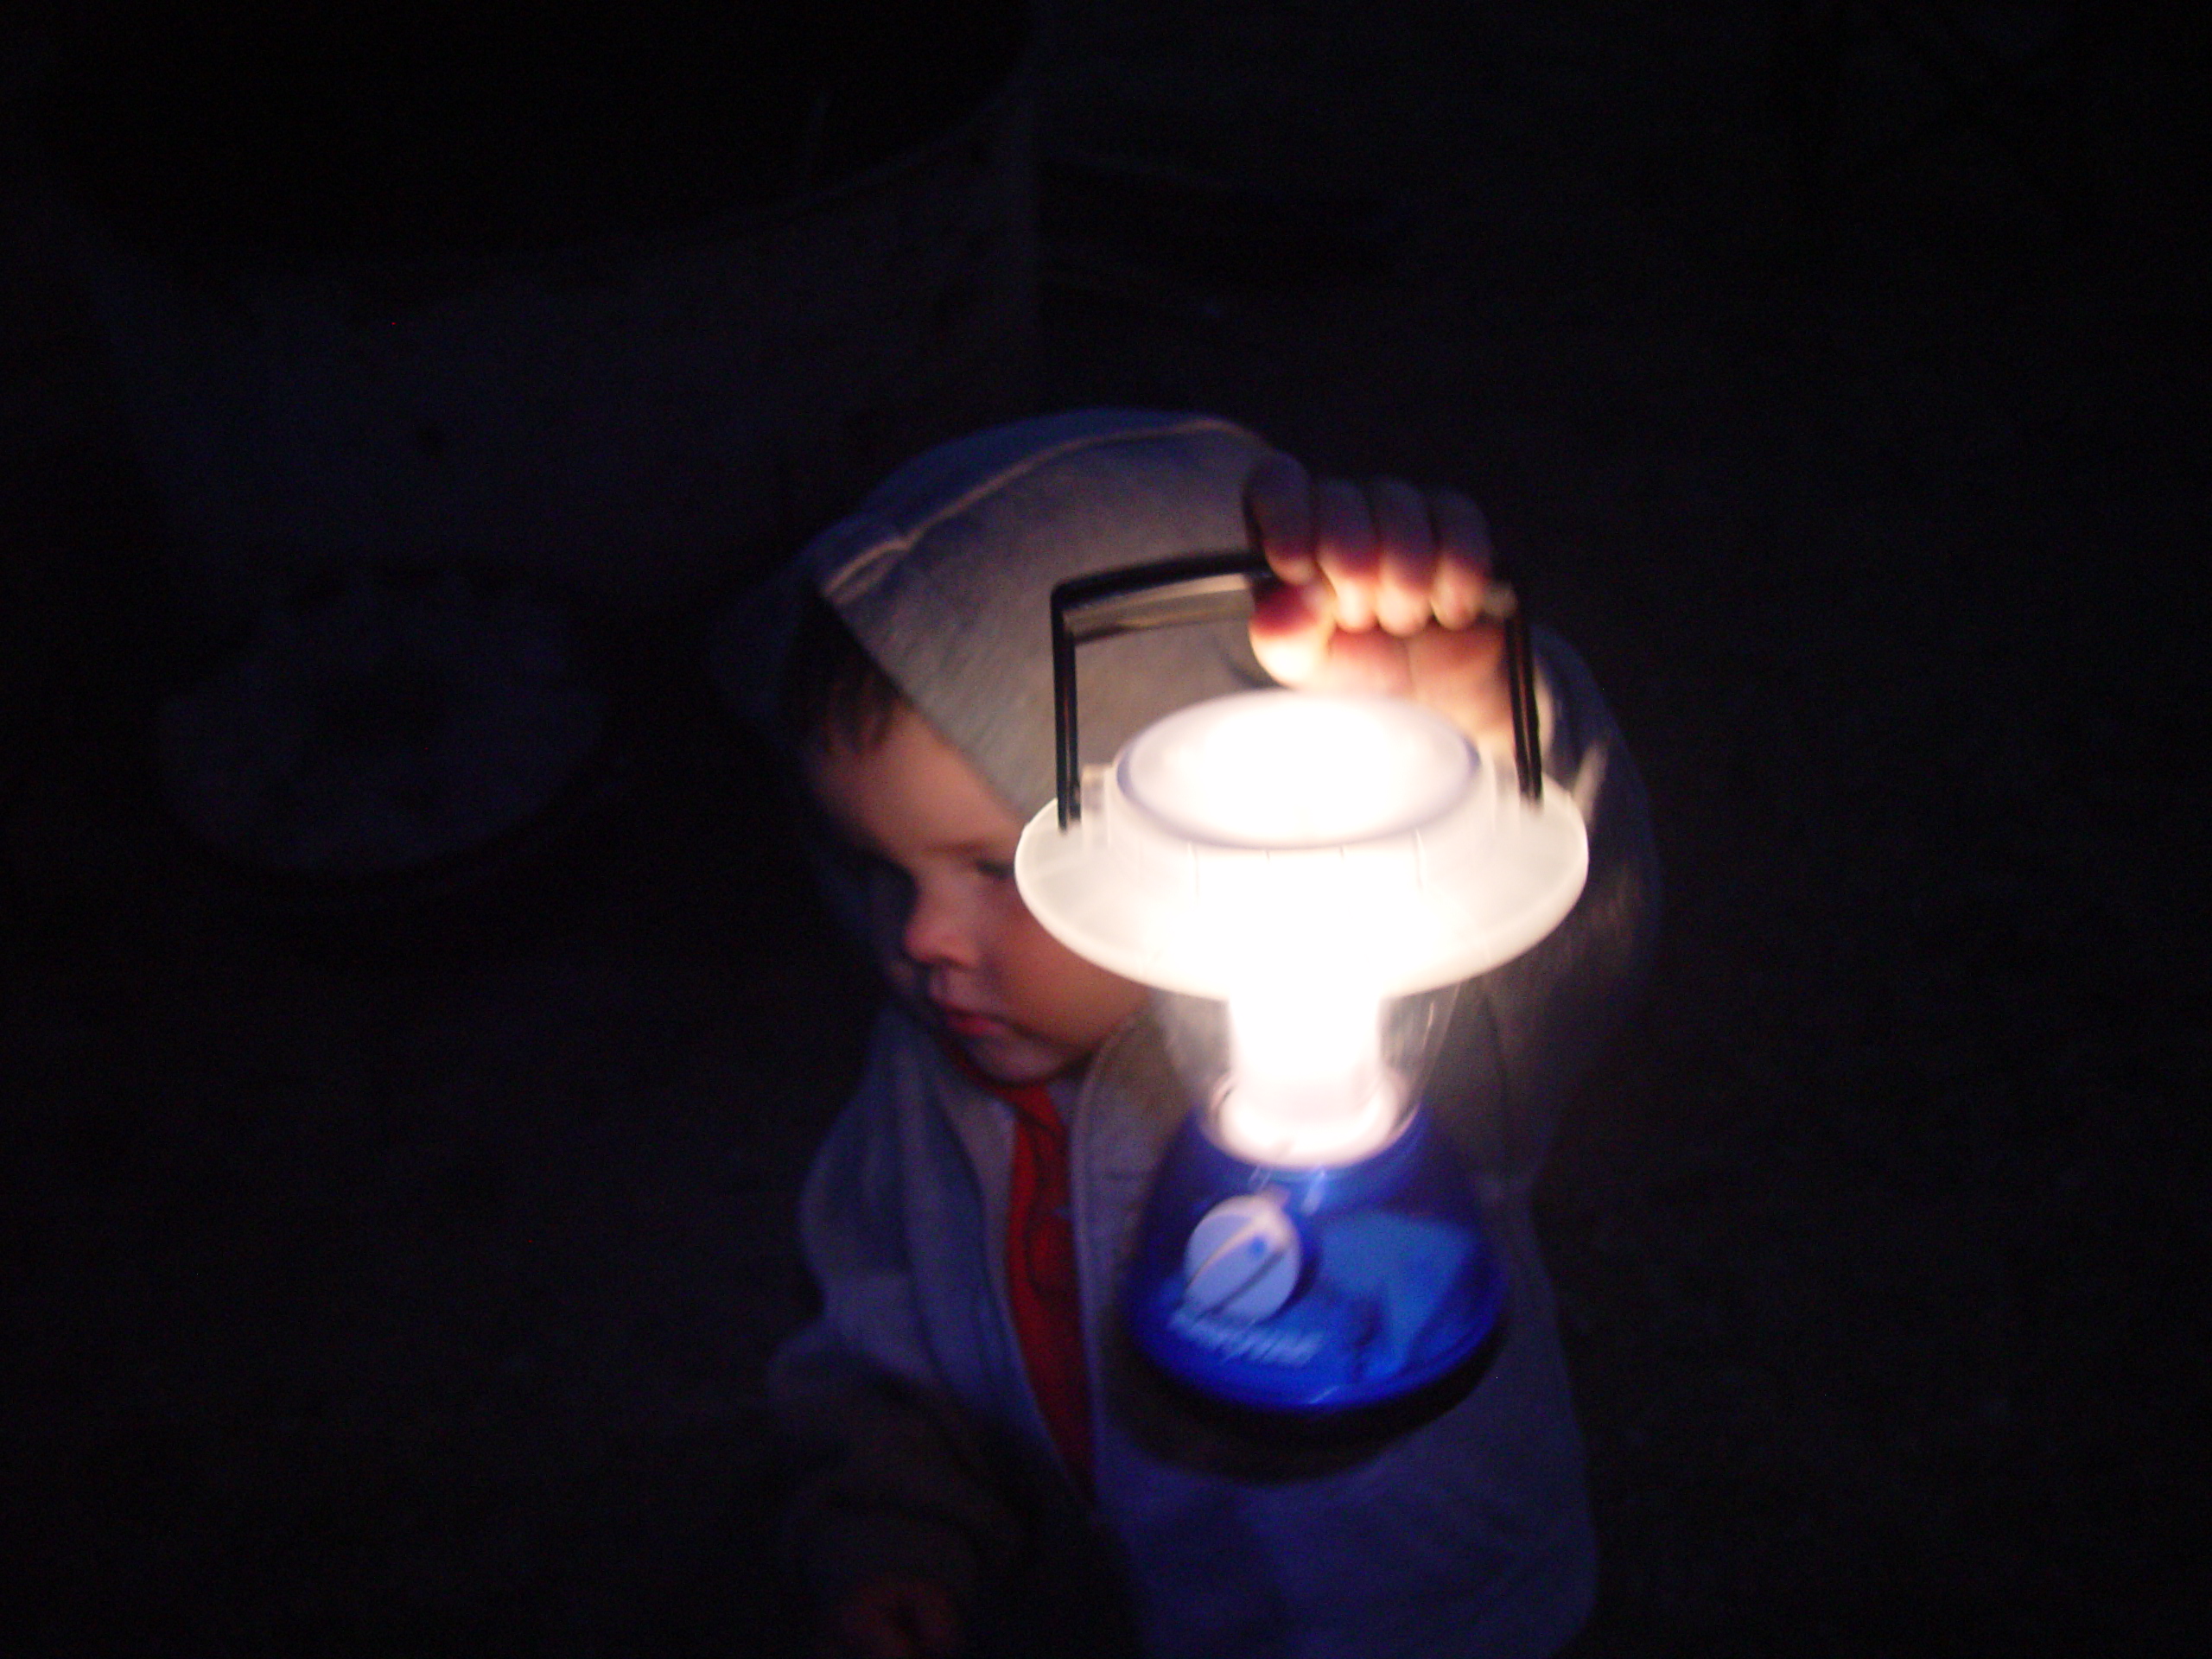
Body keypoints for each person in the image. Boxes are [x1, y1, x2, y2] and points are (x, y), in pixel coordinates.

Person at [715, 410, 1659, 1658]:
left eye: (998, 867)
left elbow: (1554, 950)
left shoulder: (1404, 1044)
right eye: (877, 868)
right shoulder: (917, 1089)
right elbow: (878, 1331)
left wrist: (1479, 735)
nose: (924, 939)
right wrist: (892, 1526)